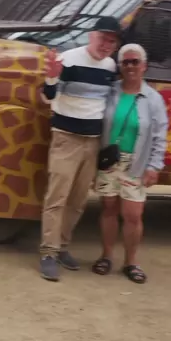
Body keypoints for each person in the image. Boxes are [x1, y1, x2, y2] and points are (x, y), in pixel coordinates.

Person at [39, 16, 121, 281]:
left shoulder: (110, 66)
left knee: (78, 201)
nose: (106, 45)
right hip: (66, 138)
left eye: (112, 41)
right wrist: (52, 77)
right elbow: (47, 96)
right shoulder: (69, 59)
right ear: (91, 36)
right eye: (103, 38)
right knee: (57, 197)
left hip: (93, 141)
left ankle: (63, 246)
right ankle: (48, 253)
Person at [92, 44, 168, 284]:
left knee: (133, 214)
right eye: (125, 62)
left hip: (136, 162)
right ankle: (106, 256)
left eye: (135, 61)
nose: (130, 66)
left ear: (144, 66)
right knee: (109, 208)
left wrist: (154, 166)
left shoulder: (153, 98)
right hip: (109, 161)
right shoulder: (110, 92)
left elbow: (159, 135)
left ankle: (131, 262)